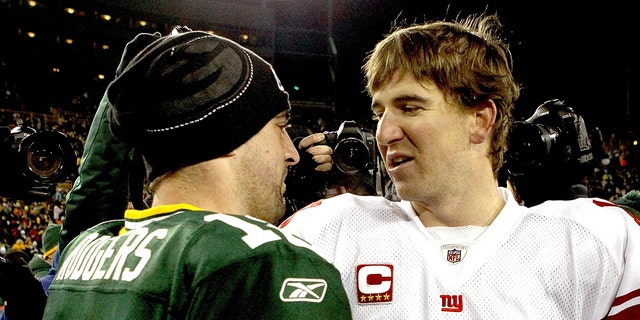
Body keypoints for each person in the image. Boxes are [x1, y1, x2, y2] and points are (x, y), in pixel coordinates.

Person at [280, 13, 640, 318]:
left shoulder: (593, 243)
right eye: (380, 112)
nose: (384, 133)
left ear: (480, 120)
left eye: (410, 107)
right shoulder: (327, 231)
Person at [37, 28, 351, 319]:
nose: (292, 153)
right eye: (280, 128)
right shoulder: (263, 262)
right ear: (228, 134)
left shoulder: (85, 250)